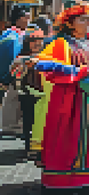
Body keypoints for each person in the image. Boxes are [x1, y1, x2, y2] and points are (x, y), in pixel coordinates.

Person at [34, 4, 89, 188]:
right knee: (69, 136)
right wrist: (86, 69)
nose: (88, 23)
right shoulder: (61, 43)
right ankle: (67, 178)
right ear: (70, 23)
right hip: (69, 99)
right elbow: (48, 66)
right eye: (82, 19)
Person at [11, 27, 45, 158]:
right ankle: (29, 146)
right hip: (27, 94)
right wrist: (25, 65)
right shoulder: (21, 57)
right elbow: (14, 73)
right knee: (28, 120)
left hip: (43, 95)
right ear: (27, 42)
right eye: (34, 41)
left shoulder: (46, 56)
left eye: (40, 40)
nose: (37, 43)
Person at [0, 5, 31, 137]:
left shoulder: (12, 34)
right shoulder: (13, 37)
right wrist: (7, 79)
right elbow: (9, 60)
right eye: (27, 17)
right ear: (19, 18)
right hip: (8, 79)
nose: (29, 21)